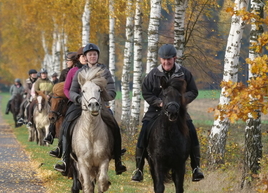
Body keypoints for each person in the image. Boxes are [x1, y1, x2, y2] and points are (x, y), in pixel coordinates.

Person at [131, 43, 204, 182]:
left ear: (174, 58)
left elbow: (193, 91)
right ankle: (139, 169)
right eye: (164, 59)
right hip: (156, 110)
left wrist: (180, 101)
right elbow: (146, 92)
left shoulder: (184, 73)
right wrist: (159, 102)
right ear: (160, 59)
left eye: (169, 59)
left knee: (192, 131)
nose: (166, 62)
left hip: (178, 110)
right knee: (144, 131)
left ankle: (196, 168)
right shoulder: (153, 74)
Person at [53, 43, 127, 176]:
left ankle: (118, 161)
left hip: (100, 105)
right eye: (90, 54)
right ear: (85, 57)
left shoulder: (104, 71)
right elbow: (72, 91)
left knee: (114, 126)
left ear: (97, 56)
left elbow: (112, 92)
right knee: (66, 124)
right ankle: (65, 159)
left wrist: (103, 93)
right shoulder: (80, 72)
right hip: (80, 105)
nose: (92, 56)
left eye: (94, 54)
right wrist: (79, 99)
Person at [49, 49, 84, 154]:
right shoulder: (65, 72)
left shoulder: (92, 68)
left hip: (90, 98)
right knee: (55, 111)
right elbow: (60, 87)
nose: (66, 62)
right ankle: (52, 135)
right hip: (67, 98)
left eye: (68, 60)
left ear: (73, 61)